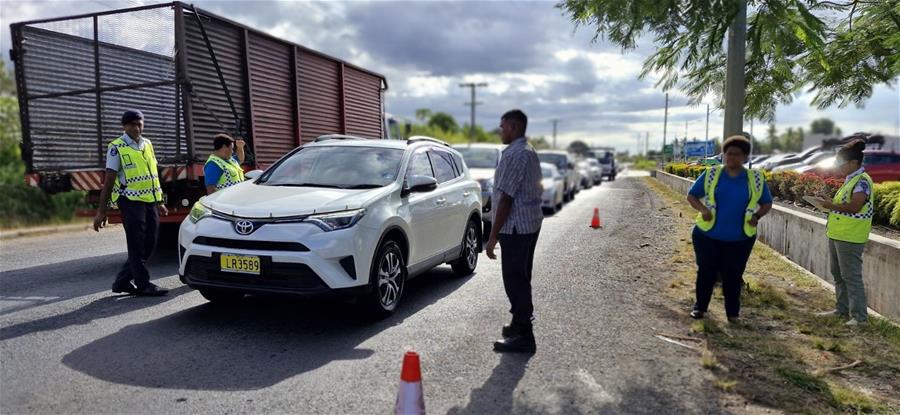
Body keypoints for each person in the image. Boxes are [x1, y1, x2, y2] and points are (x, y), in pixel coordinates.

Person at [686, 135, 772, 323]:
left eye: (736, 154)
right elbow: (692, 195)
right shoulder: (711, 174)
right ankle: (700, 308)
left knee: (732, 275)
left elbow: (767, 202)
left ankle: (733, 314)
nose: (731, 158)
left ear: (745, 157)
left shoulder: (755, 178)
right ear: (724, 155)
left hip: (740, 238)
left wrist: (757, 217)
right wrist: (703, 210)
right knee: (706, 272)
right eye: (728, 154)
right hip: (707, 235)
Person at [485, 109, 544, 353]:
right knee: (522, 276)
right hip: (529, 224)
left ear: (515, 127)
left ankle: (524, 336)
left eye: (503, 127)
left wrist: (492, 237)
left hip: (516, 227)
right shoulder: (528, 150)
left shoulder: (515, 155)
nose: (500, 131)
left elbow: (506, 199)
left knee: (515, 280)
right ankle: (517, 324)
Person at [93, 110, 169, 296]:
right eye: (132, 124)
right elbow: (109, 179)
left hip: (150, 200)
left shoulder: (147, 144)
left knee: (150, 242)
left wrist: (159, 201)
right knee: (136, 244)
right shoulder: (116, 147)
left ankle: (121, 282)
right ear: (124, 126)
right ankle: (143, 284)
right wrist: (101, 211)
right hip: (130, 201)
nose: (136, 127)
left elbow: (153, 175)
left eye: (139, 123)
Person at [817, 140, 873, 326]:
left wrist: (830, 205)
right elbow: (843, 207)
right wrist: (828, 203)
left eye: (842, 164)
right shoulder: (850, 180)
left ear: (854, 163)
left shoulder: (862, 182)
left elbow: (855, 207)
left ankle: (859, 318)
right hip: (838, 234)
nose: (839, 168)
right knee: (839, 274)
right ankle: (842, 310)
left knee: (851, 277)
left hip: (850, 237)